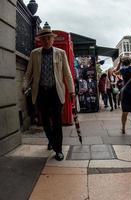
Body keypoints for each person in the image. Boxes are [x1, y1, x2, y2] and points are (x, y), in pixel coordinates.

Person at [22, 22, 75, 161]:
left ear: (53, 39)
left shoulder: (61, 53)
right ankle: (51, 140)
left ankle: (58, 149)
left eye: (49, 38)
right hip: (41, 93)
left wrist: (72, 91)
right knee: (45, 121)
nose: (46, 41)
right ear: (40, 40)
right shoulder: (35, 54)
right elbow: (28, 73)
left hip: (55, 92)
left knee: (57, 122)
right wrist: (24, 85)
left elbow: (67, 74)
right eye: (43, 38)